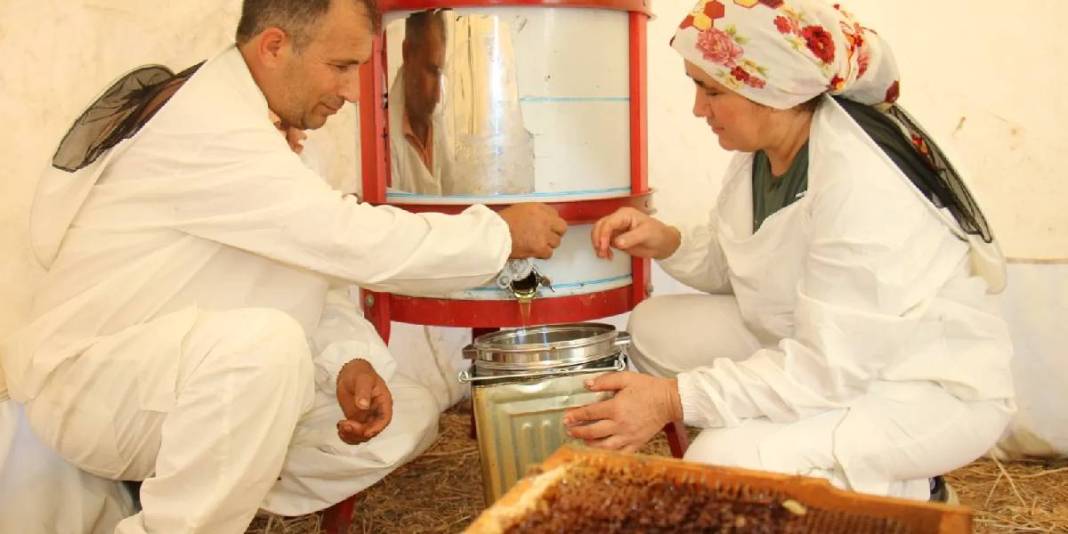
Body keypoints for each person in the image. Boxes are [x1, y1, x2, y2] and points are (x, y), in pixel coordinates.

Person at [0, 0, 567, 532]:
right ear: (274, 47)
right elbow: (349, 240)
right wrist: (499, 234)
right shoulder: (212, 127)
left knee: (408, 413)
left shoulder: (273, 127)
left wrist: (347, 360)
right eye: (340, 66)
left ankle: (193, 489)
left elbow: (310, 267)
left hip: (184, 381)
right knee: (265, 350)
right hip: (96, 390)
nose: (352, 92)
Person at [563, 0, 1014, 502]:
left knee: (722, 462)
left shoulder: (860, 183)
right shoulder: (764, 152)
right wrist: (666, 240)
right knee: (653, 328)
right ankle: (812, 449)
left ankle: (909, 490)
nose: (697, 109)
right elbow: (744, 263)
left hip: (916, 385)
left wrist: (673, 399)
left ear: (774, 88)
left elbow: (828, 367)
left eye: (711, 90)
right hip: (828, 345)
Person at [389, 9, 452, 195]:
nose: (438, 95)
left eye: (439, 73)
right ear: (407, 53)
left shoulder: (439, 116)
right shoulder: (383, 135)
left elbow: (454, 188)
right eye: (431, 71)